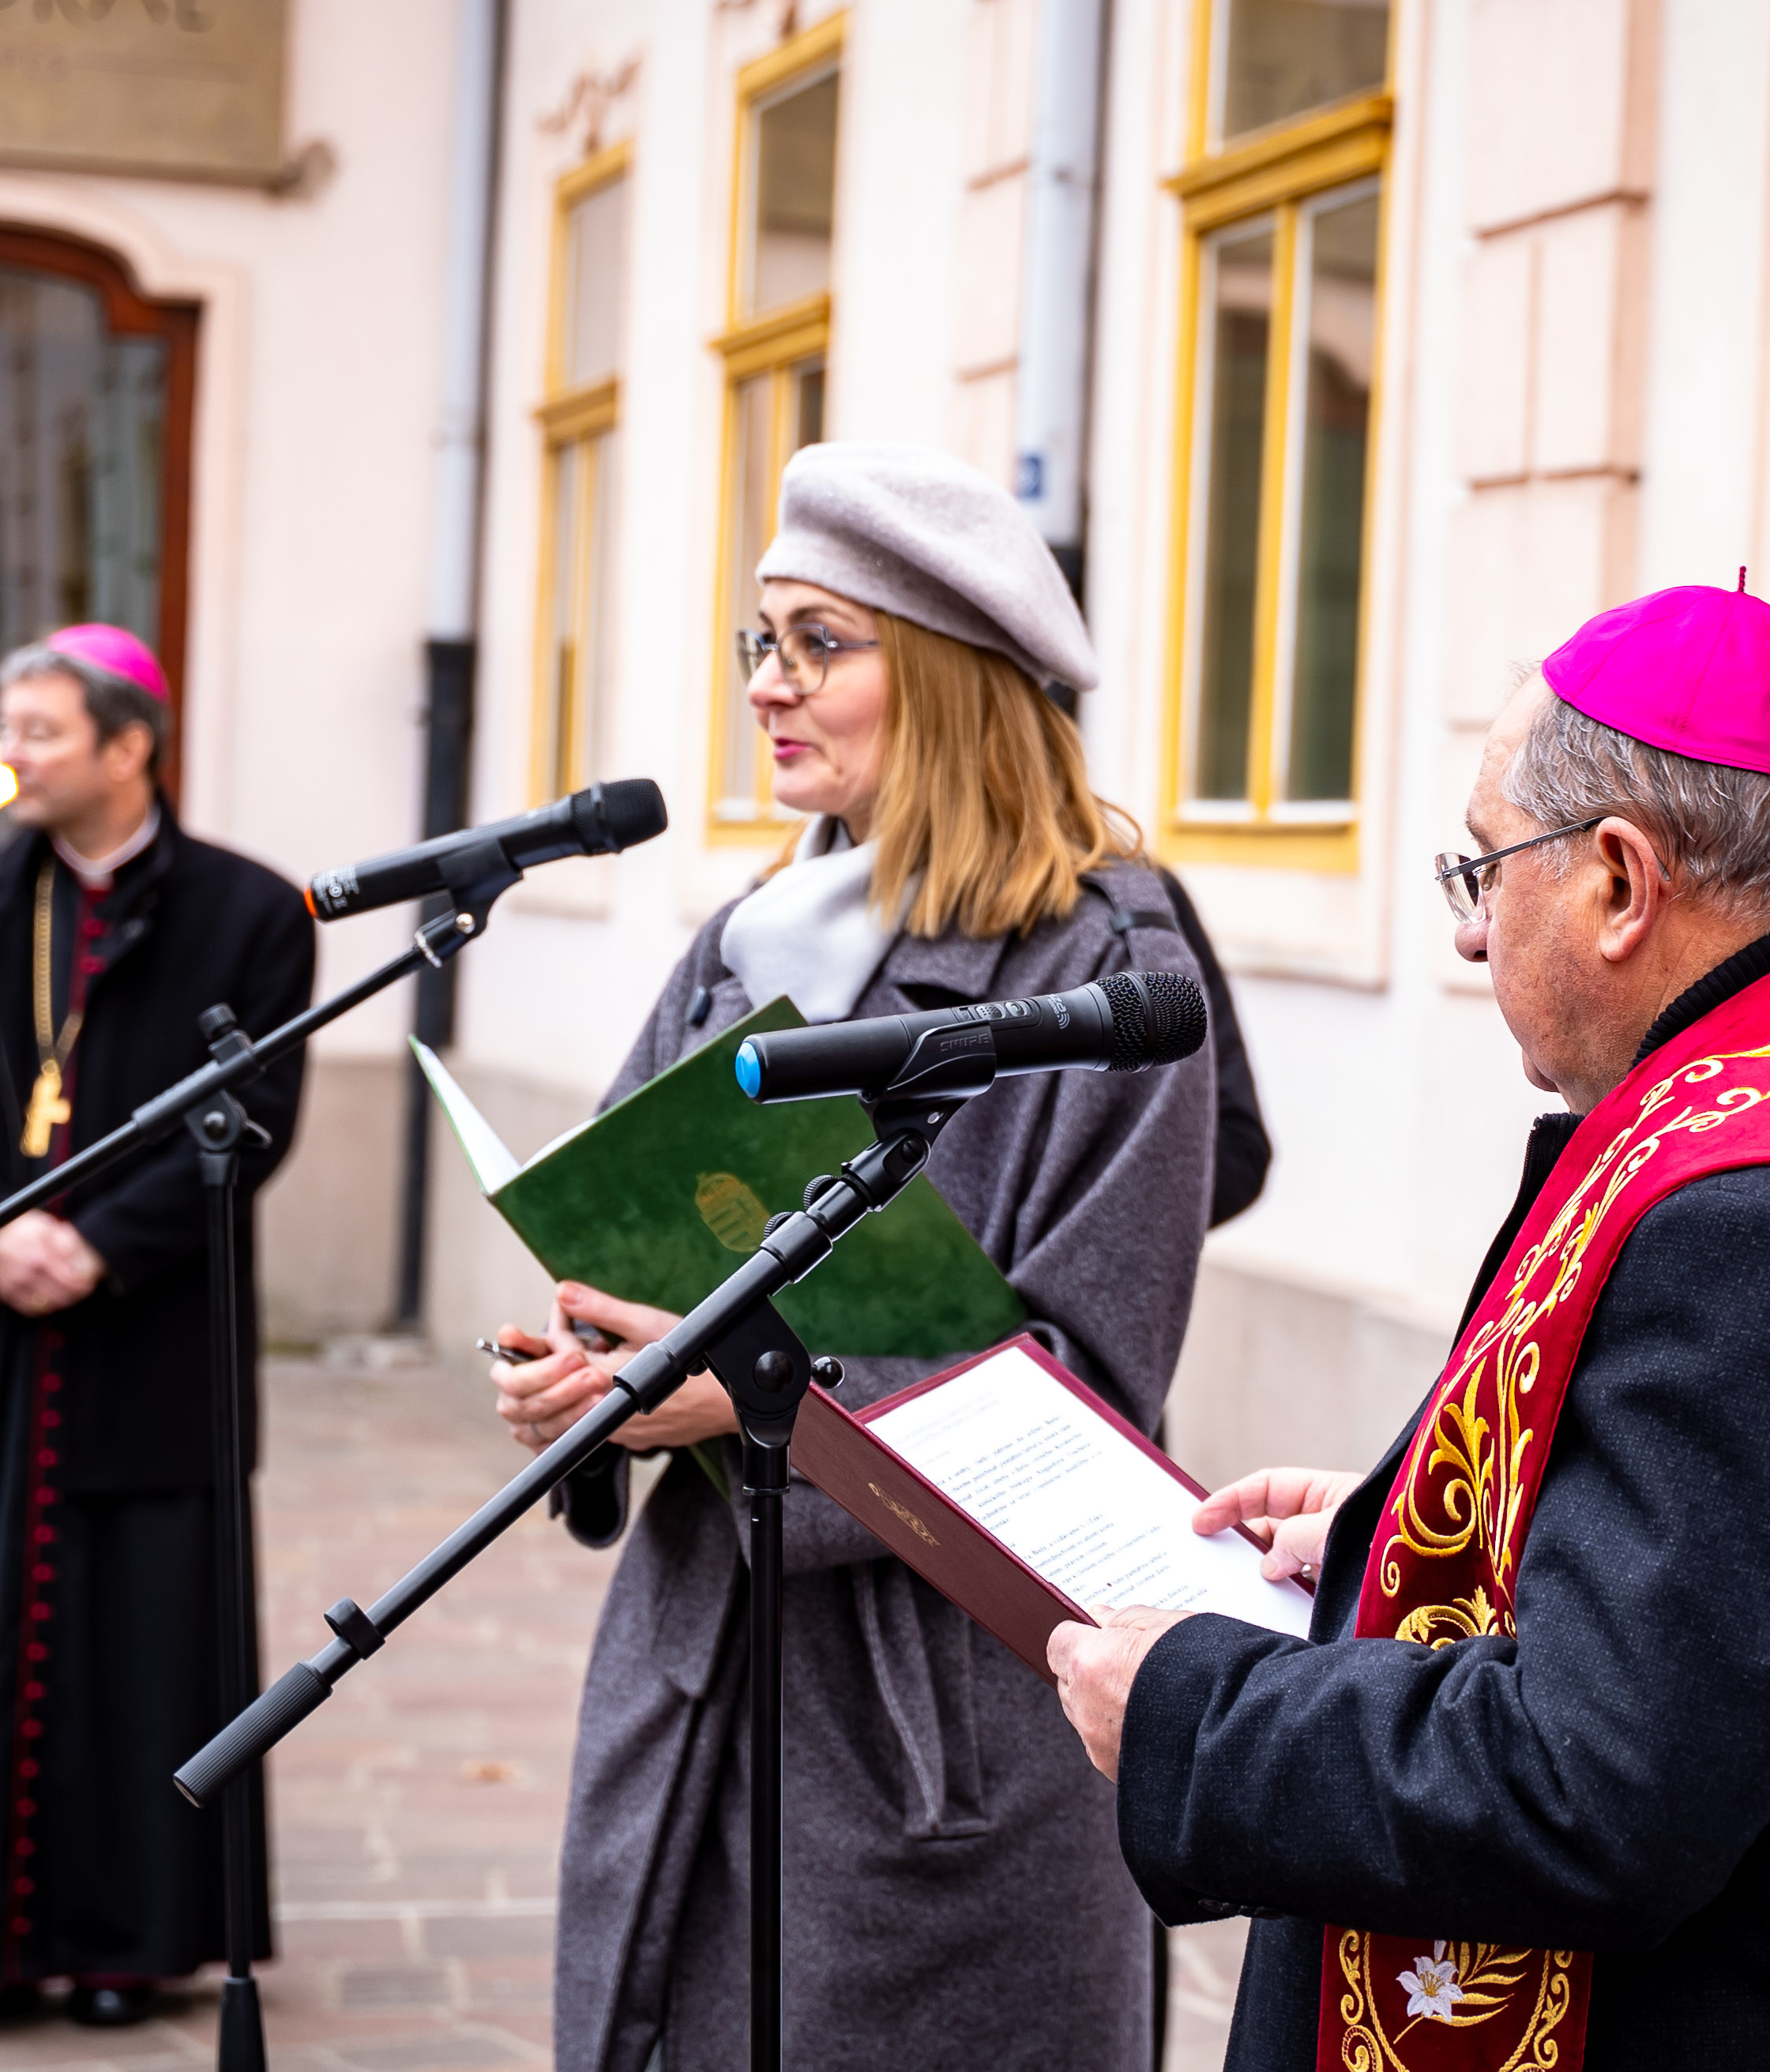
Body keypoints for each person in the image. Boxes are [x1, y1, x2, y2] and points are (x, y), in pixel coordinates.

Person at [1047, 579, 1770, 2069]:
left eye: (1484, 869)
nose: (1476, 938)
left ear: (1621, 880)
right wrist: (1393, 1529)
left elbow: (1593, 1782)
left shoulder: (1759, 1228)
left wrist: (1195, 1707)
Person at [486, 442, 1217, 2072]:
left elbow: (1085, 1376)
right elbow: (617, 1228)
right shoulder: (741, 944)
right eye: (762, 641)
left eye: (821, 641)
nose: (770, 685)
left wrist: (730, 1395)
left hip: (931, 1712)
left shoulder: (1104, 971)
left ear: (952, 677)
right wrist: (590, 1368)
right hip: (697, 1674)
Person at [0, 625, 314, 2026]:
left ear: (130, 745)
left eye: (41, 730)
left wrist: (102, 1246)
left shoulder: (252, 913)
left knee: (144, 1638)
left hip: (152, 1335)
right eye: (8, 725)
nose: (13, 752)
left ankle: (133, 1945)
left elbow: (260, 1117)